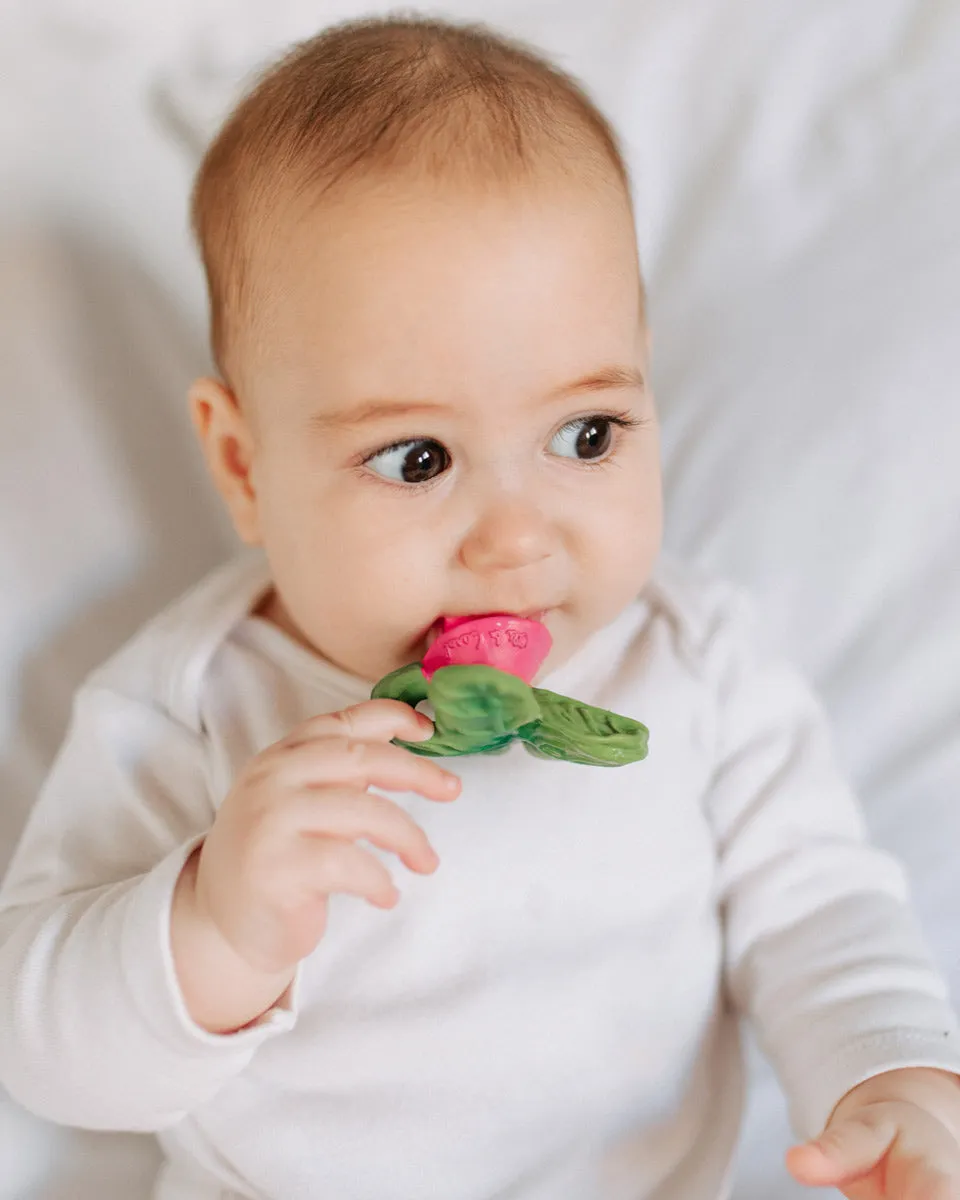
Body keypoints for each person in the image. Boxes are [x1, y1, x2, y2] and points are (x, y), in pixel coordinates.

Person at [1, 16, 958, 1200]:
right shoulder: (196, 705)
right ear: (244, 466)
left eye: (587, 434)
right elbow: (43, 1052)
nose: (517, 537)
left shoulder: (696, 661)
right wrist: (212, 924)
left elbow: (820, 908)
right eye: (417, 460)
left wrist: (894, 1077)